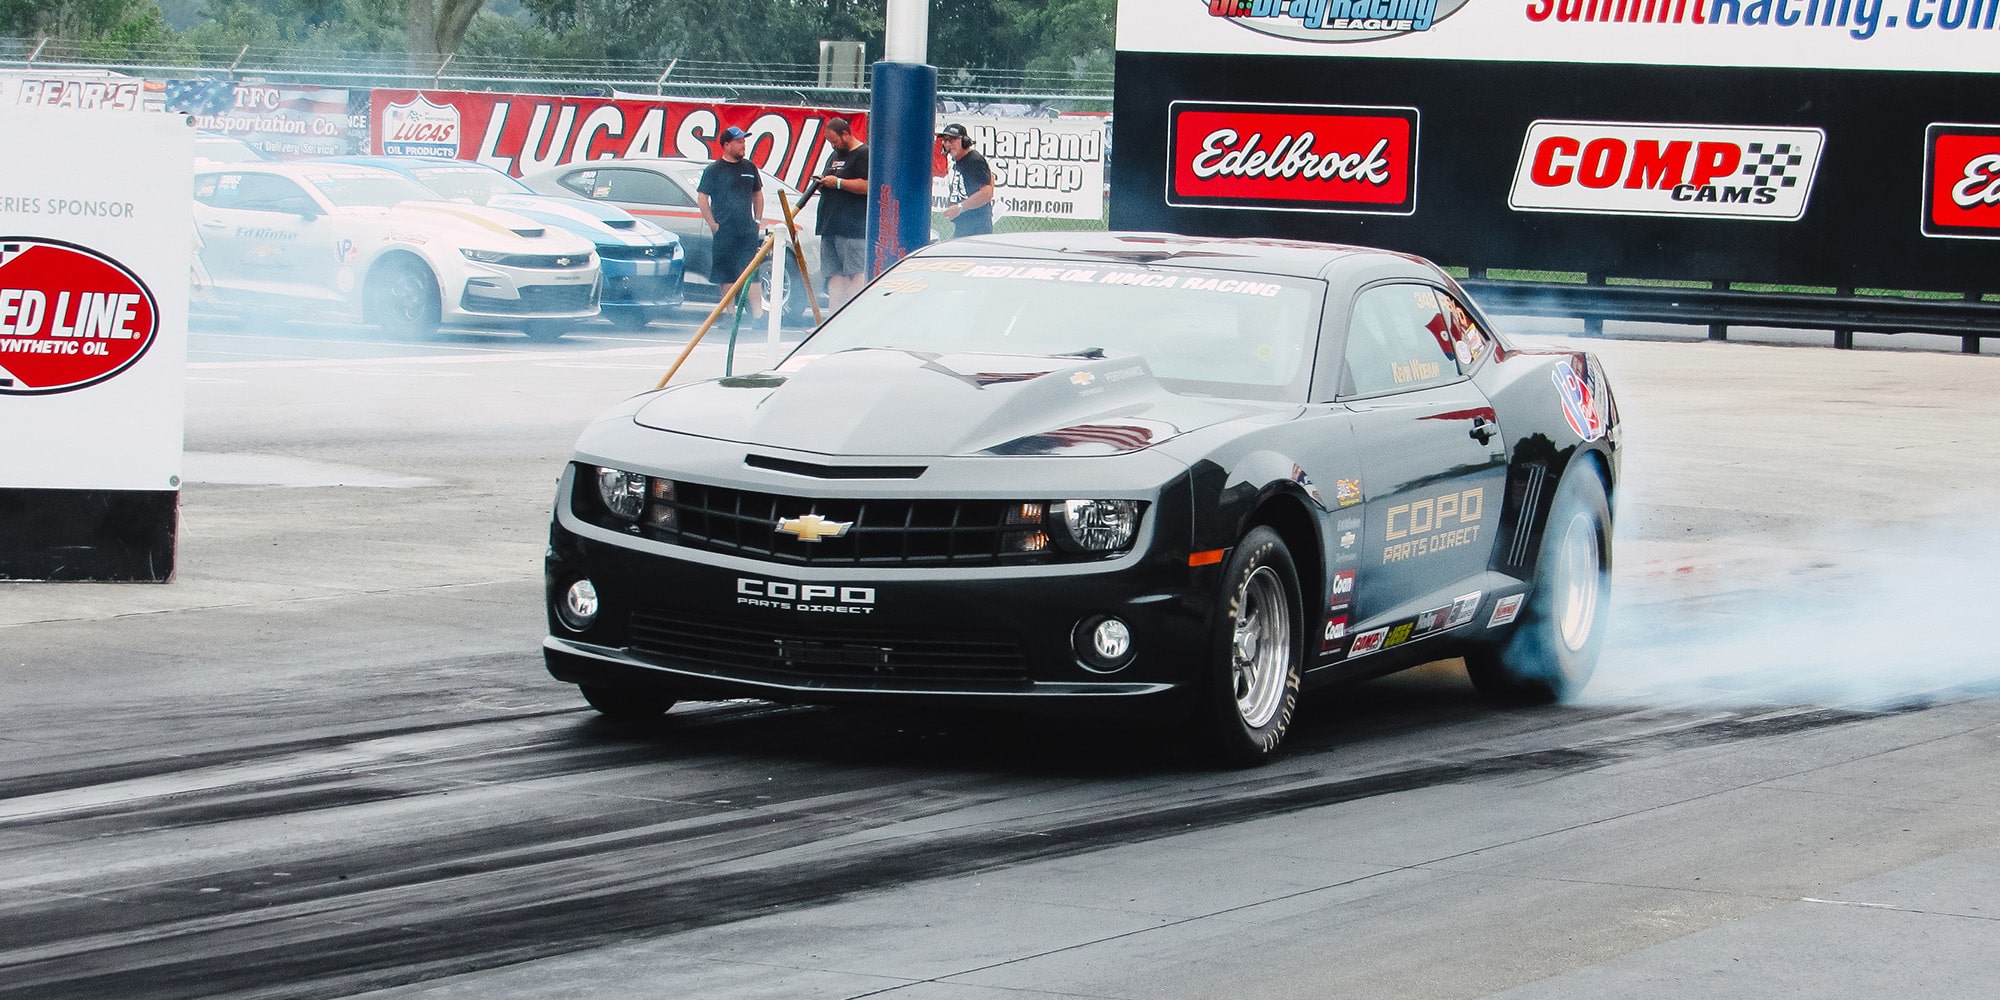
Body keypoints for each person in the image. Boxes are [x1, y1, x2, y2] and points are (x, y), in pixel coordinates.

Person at [697, 125, 766, 319]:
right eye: (739, 142)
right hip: (725, 230)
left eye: (744, 141)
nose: (743, 145)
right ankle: (730, 315)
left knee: (752, 271)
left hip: (747, 230)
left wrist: (757, 220)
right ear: (726, 145)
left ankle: (758, 316)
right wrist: (713, 224)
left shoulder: (749, 167)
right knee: (726, 274)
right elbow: (702, 198)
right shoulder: (714, 170)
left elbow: (757, 194)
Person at [815, 118, 869, 307]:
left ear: (845, 134)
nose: (833, 146)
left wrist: (838, 183)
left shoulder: (863, 154)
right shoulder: (835, 155)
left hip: (852, 227)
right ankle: (833, 317)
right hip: (830, 224)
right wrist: (823, 182)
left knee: (855, 272)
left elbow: (868, 185)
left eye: (835, 141)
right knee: (834, 274)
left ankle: (855, 316)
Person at [937, 123, 995, 238]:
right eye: (945, 140)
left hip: (976, 225)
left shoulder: (973, 160)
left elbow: (987, 193)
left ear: (964, 141)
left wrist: (960, 208)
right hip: (965, 224)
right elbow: (990, 177)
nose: (948, 144)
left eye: (952, 140)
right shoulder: (959, 160)